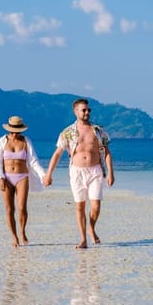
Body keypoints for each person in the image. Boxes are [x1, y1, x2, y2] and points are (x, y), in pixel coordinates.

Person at [44, 99, 114, 249]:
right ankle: (83, 239)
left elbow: (107, 152)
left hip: (95, 170)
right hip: (77, 172)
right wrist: (48, 174)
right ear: (75, 111)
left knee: (95, 206)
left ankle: (91, 227)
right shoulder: (68, 132)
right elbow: (57, 154)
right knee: (80, 206)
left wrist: (110, 173)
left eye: (88, 110)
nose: (87, 112)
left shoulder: (98, 130)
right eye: (84, 110)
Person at [0, 115, 47, 248]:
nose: (14, 134)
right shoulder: (2, 141)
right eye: (12, 131)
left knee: (22, 208)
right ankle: (14, 236)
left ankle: (22, 232)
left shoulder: (26, 141)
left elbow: (34, 161)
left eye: (16, 132)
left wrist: (43, 175)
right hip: (7, 178)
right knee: (9, 209)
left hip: (22, 176)